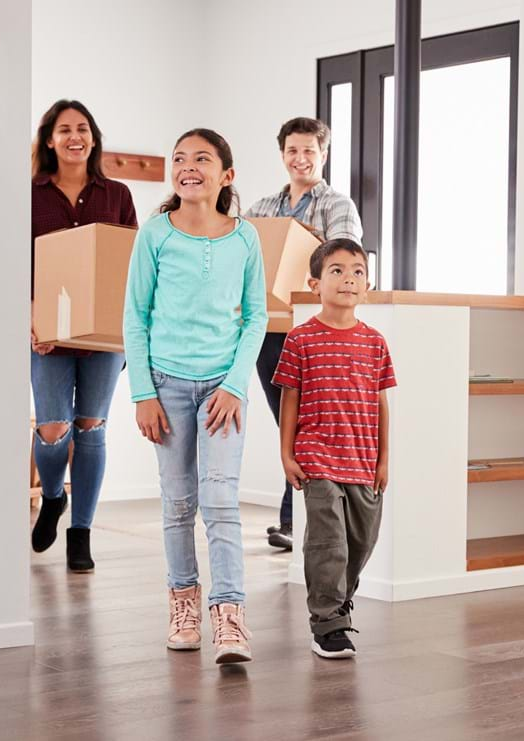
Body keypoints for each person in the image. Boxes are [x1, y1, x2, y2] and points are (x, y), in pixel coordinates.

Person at [123, 129, 267, 664]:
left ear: (225, 175)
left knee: (221, 500)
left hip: (223, 391)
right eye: (179, 159)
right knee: (178, 503)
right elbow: (134, 317)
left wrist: (233, 385)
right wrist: (143, 392)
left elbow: (256, 318)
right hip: (167, 386)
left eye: (201, 159)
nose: (187, 166)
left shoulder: (245, 237)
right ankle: (183, 606)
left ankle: (229, 618)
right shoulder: (155, 234)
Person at [272, 239, 396, 659]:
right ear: (315, 283)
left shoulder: (376, 343)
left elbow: (381, 404)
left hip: (363, 460)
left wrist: (383, 459)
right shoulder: (300, 339)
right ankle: (328, 624)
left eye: (357, 271)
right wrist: (287, 454)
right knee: (329, 543)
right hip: (317, 455)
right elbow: (290, 398)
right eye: (337, 270)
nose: (348, 279)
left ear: (368, 285)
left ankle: (340, 601)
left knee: (361, 540)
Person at [246, 117, 363, 550]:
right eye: (292, 151)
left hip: (316, 329)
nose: (300, 159)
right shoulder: (261, 208)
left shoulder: (337, 206)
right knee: (290, 423)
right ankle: (300, 519)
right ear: (282, 155)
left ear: (323, 154)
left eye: (309, 151)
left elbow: (346, 261)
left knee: (309, 423)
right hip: (271, 329)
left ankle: (296, 521)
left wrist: (309, 243)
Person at [31, 100, 137, 572]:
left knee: (90, 427)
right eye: (64, 129)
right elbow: (11, 263)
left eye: (83, 129)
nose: (75, 136)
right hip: (48, 336)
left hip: (103, 337)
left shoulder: (116, 193)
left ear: (93, 138)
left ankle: (81, 532)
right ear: (49, 140)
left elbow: (130, 261)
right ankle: (53, 497)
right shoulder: (28, 194)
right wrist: (31, 318)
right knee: (53, 430)